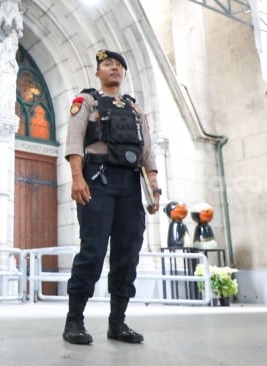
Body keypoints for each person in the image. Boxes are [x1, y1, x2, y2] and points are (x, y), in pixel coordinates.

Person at [62, 49, 161, 345]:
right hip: (97, 179)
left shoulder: (135, 109)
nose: (114, 69)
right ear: (98, 72)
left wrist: (153, 186)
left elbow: (147, 149)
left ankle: (117, 322)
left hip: (130, 184)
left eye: (119, 65)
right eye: (108, 65)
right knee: (92, 250)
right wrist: (77, 177)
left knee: (127, 254)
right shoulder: (87, 100)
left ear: (124, 73)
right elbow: (74, 141)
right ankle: (74, 321)